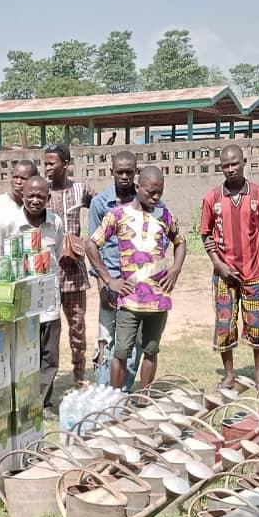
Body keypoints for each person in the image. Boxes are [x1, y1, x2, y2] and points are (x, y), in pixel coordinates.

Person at [85, 166, 185, 391]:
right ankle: (114, 400)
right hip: (129, 300)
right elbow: (91, 244)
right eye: (151, 192)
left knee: (150, 350)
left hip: (158, 299)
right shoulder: (118, 215)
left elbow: (180, 241)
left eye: (159, 192)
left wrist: (176, 269)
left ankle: (144, 396)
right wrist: (109, 280)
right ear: (138, 187)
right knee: (121, 352)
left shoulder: (164, 215)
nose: (156, 197)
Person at [200, 144, 259, 389]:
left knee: (257, 324)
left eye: (234, 164)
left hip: (253, 273)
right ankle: (229, 375)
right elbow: (205, 234)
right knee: (225, 326)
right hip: (224, 276)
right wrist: (218, 264)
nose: (230, 169)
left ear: (244, 162)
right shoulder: (212, 198)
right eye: (225, 165)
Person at [44, 143, 95, 389]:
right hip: (49, 274)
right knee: (49, 332)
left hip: (74, 273)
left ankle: (79, 376)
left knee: (77, 326)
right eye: (45, 163)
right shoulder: (42, 192)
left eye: (51, 163)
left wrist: (89, 241)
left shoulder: (80, 190)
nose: (47, 168)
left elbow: (101, 209)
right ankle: (46, 382)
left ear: (65, 164)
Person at [88, 152, 139, 390]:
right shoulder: (100, 204)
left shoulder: (146, 201)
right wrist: (104, 285)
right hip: (110, 283)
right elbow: (92, 247)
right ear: (112, 172)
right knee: (105, 340)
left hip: (138, 286)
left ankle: (124, 393)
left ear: (136, 171)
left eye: (129, 171)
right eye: (120, 171)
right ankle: (102, 392)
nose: (125, 176)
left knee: (132, 342)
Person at [18, 175, 64, 412]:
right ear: (22, 196)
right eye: (31, 196)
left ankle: (43, 403)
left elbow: (57, 252)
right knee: (25, 355)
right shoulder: (11, 223)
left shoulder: (55, 223)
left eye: (40, 196)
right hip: (23, 304)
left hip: (49, 302)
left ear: (48, 198)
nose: (35, 200)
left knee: (49, 355)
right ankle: (24, 402)